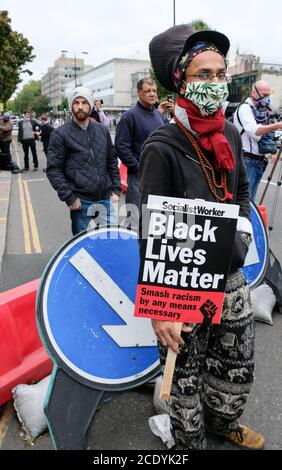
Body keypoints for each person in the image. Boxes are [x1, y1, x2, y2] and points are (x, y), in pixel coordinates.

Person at [139, 24, 265, 450]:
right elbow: (151, 231)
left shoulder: (228, 131)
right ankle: (190, 444)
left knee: (235, 366)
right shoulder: (162, 145)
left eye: (220, 73)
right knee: (184, 380)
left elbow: (242, 191)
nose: (215, 82)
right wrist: (160, 309)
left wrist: (242, 238)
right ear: (180, 81)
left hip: (230, 279)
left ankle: (223, 423)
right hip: (182, 286)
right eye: (203, 74)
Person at [47, 86, 121, 236]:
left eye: (84, 102)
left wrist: (116, 188)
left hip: (106, 199)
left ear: (91, 105)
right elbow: (53, 169)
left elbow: (112, 160)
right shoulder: (60, 134)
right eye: (76, 102)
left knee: (110, 242)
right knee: (81, 249)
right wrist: (69, 197)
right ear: (71, 106)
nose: (80, 107)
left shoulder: (102, 130)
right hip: (81, 202)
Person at [115, 78, 174, 228]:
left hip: (159, 177)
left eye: (154, 91)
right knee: (135, 222)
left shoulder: (158, 115)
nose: (152, 94)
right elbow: (121, 147)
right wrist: (138, 167)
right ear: (139, 93)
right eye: (148, 91)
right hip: (138, 178)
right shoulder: (129, 116)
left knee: (154, 222)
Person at [234, 80, 282, 200]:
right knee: (245, 201)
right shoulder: (245, 109)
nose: (266, 98)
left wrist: (273, 151)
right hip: (247, 160)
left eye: (268, 95)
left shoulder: (261, 110)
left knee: (251, 202)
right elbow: (254, 131)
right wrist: (277, 125)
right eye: (264, 95)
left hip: (259, 161)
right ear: (254, 92)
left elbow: (267, 133)